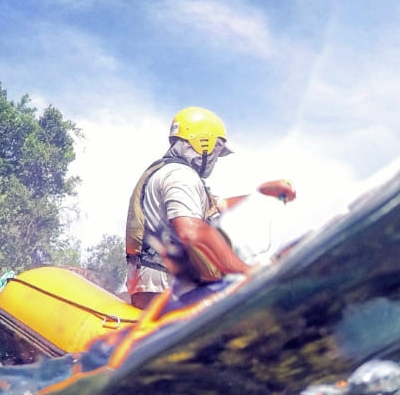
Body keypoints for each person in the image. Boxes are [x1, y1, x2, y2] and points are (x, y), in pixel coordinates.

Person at [124, 106, 295, 309]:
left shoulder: (169, 171)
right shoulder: (181, 176)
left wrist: (263, 194)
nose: (215, 159)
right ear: (203, 143)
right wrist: (244, 270)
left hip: (153, 281)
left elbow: (219, 206)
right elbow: (191, 231)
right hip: (167, 285)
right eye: (216, 150)